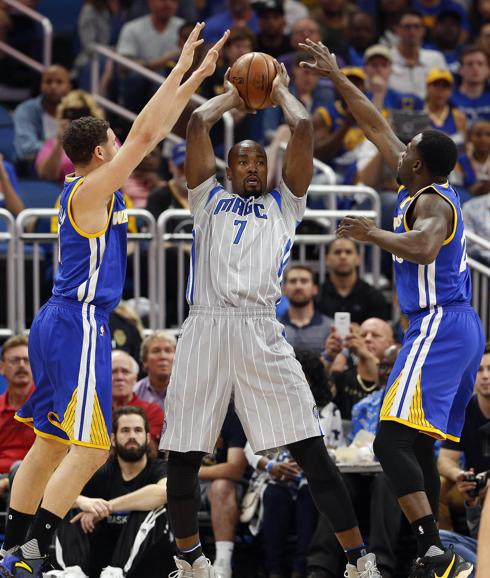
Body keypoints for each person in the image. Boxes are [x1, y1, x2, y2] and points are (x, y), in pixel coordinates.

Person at [0, 24, 229, 578]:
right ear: (101, 150)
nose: (123, 142)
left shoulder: (88, 188)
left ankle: (11, 548)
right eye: (115, 139)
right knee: (92, 447)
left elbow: (145, 132)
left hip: (64, 320)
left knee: (51, 443)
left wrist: (195, 76)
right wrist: (182, 72)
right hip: (77, 323)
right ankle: (32, 550)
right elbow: (148, 134)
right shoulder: (91, 186)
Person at [160, 61, 383, 578]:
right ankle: (190, 561)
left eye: (260, 160)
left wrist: (279, 90)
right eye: (243, 161)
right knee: (183, 454)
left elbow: (303, 128)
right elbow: (197, 126)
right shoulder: (205, 199)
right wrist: (235, 97)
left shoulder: (286, 205)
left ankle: (360, 560)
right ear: (229, 169)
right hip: (206, 326)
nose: (253, 168)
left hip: (262, 328)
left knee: (310, 449)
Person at [299, 38, 485, 578]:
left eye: (407, 150)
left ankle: (434, 549)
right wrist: (336, 75)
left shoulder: (430, 201)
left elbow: (425, 246)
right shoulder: (418, 183)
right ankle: (428, 554)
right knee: (417, 443)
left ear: (420, 164)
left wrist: (371, 232)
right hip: (450, 325)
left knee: (390, 437)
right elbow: (375, 120)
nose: (395, 150)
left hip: (440, 323)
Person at [53, 406, 172, 578]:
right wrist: (82, 502)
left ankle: (116, 572)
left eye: (137, 430)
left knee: (151, 507)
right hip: (102, 557)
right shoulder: (102, 471)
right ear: (113, 439)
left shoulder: (159, 468)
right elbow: (56, 494)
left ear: (147, 438)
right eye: (125, 430)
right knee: (68, 507)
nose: (132, 436)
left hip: (149, 562)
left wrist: (108, 507)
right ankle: (73, 571)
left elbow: (162, 493)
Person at [198, 403, 248, 578]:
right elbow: (168, 461)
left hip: (229, 485)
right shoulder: (179, 410)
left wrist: (190, 472)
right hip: (189, 482)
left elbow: (235, 468)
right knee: (163, 486)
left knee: (221, 487)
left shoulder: (233, 414)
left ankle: (223, 565)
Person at [316, 238, 389, 324]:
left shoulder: (374, 296)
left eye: (348, 252)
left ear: (358, 259)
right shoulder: (316, 295)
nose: (343, 256)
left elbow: (379, 331)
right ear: (327, 259)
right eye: (337, 252)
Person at [0, 337, 35, 502]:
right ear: (2, 367)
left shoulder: (52, 406)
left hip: (41, 480)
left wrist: (9, 481)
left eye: (27, 360)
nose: (21, 365)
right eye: (15, 360)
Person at [13, 65, 72, 163]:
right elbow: (26, 148)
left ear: (69, 87)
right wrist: (59, 149)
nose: (53, 86)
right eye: (48, 82)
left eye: (59, 82)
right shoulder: (25, 110)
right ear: (41, 85)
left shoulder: (78, 109)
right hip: (33, 170)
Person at [388, 9, 447, 99]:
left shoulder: (436, 58)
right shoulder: (385, 58)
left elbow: (446, 91)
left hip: (428, 111)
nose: (412, 31)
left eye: (416, 26)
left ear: (423, 30)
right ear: (397, 30)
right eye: (407, 27)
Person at [278, 265, 333, 355]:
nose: (298, 286)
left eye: (304, 281)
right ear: (284, 289)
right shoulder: (274, 327)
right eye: (293, 281)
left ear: (315, 289)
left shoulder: (331, 328)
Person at [111, 350, 164, 444]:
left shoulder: (153, 411)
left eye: (125, 372)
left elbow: (148, 450)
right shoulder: (92, 412)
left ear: (135, 379)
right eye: (113, 372)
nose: (119, 377)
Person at [133, 331, 177, 411]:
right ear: (145, 360)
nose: (163, 356)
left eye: (168, 351)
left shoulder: (187, 391)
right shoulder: (135, 392)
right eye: (156, 351)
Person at [451, 46, 490, 125]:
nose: (475, 68)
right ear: (460, 69)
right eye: (469, 64)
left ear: (488, 69)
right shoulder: (450, 100)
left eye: (480, 64)